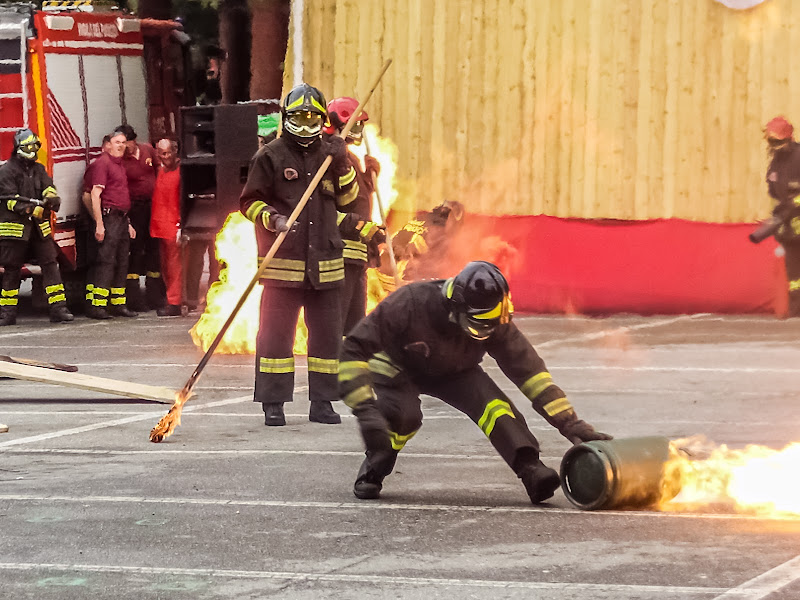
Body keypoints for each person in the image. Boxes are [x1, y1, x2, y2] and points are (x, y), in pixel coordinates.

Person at [338, 261, 612, 503]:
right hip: (398, 366)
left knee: (496, 408)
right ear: (454, 308)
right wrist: (365, 411)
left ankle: (530, 468)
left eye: (492, 324)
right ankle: (376, 465)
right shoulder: (409, 303)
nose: (488, 331)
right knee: (404, 416)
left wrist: (569, 422)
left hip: (456, 369)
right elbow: (353, 349)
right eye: (480, 325)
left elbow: (531, 373)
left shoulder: (493, 319)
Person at [239, 82, 360, 427]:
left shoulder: (332, 155)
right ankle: (273, 403)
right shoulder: (270, 156)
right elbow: (248, 202)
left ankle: (323, 402)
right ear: (286, 117)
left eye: (312, 116)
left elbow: (349, 201)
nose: (305, 122)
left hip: (326, 265)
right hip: (283, 266)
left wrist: (343, 164)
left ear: (321, 119)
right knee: (276, 337)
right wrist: (272, 219)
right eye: (298, 116)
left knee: (326, 338)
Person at [324, 96, 385, 334]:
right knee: (339, 324)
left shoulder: (348, 156)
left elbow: (358, 202)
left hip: (356, 253)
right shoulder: (329, 155)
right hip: (340, 252)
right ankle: (332, 369)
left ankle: (349, 368)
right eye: (356, 124)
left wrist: (369, 179)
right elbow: (342, 202)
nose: (360, 130)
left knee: (355, 326)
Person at [0, 128, 73, 326]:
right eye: (28, 147)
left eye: (34, 146)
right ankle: (7, 314)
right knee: (12, 271)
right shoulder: (6, 171)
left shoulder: (38, 169)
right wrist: (34, 210)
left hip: (39, 231)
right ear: (18, 148)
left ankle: (58, 309)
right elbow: (10, 202)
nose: (32, 150)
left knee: (51, 265)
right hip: (16, 231)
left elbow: (48, 187)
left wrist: (51, 197)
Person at [85, 130, 137, 320]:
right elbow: (95, 195)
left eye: (123, 142)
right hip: (110, 218)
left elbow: (122, 195)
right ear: (108, 144)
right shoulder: (103, 164)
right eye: (117, 142)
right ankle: (97, 307)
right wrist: (99, 224)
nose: (121, 145)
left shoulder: (120, 165)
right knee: (106, 261)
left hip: (122, 219)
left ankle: (118, 304)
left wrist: (128, 223)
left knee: (123, 261)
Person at [117, 124, 164, 312]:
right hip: (135, 209)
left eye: (126, 142)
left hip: (152, 207)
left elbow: (159, 170)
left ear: (133, 140)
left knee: (154, 250)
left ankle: (156, 296)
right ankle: (135, 299)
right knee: (136, 253)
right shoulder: (122, 161)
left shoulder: (147, 150)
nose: (123, 146)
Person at [763, 116, 800, 317]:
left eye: (777, 142)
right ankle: (796, 310)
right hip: (789, 228)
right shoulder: (776, 164)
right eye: (771, 142)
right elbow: (774, 195)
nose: (773, 147)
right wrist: (776, 219)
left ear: (787, 139)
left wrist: (794, 204)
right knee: (794, 273)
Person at [151, 139, 183, 317]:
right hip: (160, 226)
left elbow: (184, 201)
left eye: (167, 153)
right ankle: (172, 299)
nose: (164, 157)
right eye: (161, 153)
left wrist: (181, 225)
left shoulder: (180, 172)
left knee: (174, 267)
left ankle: (174, 302)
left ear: (174, 151)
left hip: (172, 226)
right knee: (166, 266)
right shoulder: (161, 170)